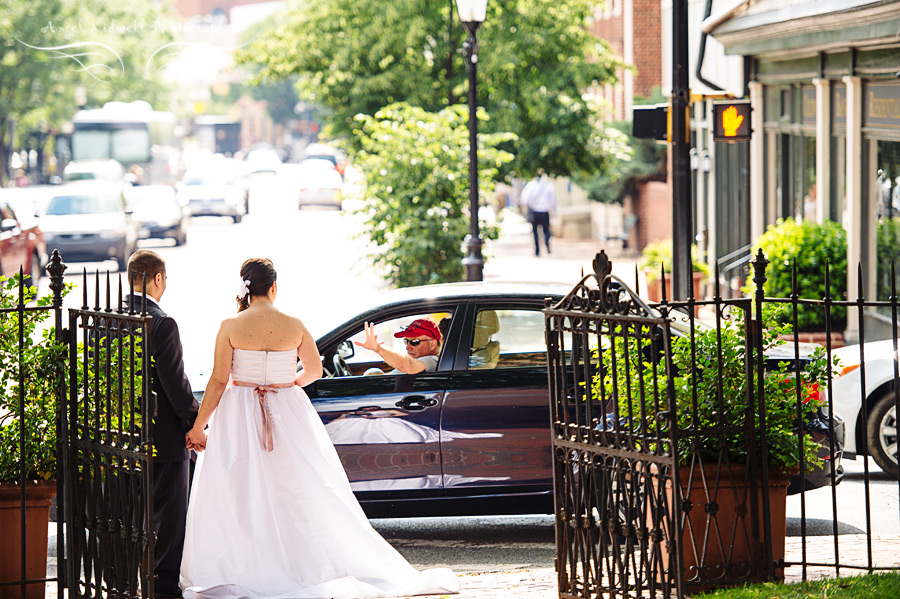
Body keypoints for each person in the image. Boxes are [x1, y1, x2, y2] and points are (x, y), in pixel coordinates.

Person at [180, 259, 458, 599]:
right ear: (274, 287)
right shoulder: (294, 325)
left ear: (245, 289)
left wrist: (199, 426)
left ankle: (248, 563)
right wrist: (285, 386)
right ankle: (298, 562)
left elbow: (220, 380)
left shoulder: (230, 325)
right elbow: (314, 371)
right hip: (285, 407)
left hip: (238, 412)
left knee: (239, 486)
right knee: (297, 486)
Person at [125, 250, 199, 599]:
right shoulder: (162, 322)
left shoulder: (108, 316)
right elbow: (175, 384)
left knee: (130, 515)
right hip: (164, 436)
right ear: (157, 279)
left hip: (122, 434)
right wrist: (195, 421)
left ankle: (126, 582)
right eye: (165, 279)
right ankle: (162, 588)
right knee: (168, 520)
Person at [356, 318, 441, 374]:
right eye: (406, 341)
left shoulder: (432, 361)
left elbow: (408, 366)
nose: (408, 347)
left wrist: (379, 349)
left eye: (414, 341)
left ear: (432, 344)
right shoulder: (418, 361)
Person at [520, 173, 557, 256]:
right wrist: (555, 212)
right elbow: (554, 200)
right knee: (546, 230)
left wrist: (526, 208)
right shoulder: (549, 185)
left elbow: (524, 199)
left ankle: (537, 250)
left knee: (535, 232)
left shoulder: (531, 185)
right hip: (545, 211)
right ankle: (547, 244)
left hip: (535, 211)